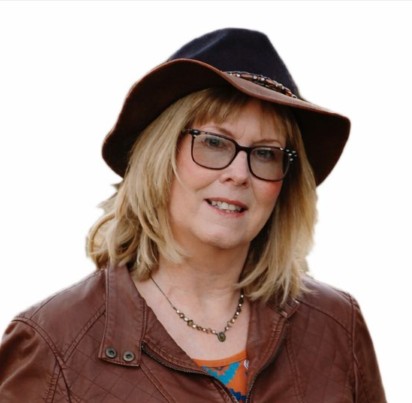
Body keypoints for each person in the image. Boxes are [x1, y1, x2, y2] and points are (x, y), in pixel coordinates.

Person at [0, 28, 386, 402]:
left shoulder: (337, 324)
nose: (239, 173)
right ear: (160, 155)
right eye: (215, 143)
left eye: (266, 153)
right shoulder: (53, 344)